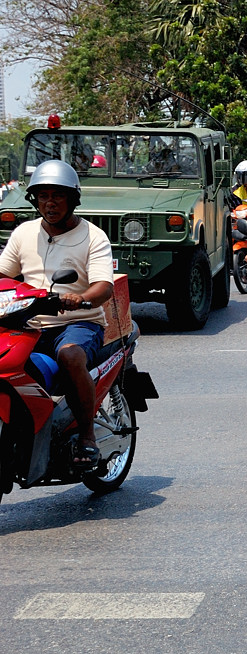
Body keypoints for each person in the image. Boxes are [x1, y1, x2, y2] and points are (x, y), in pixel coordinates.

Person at [0, 160, 114, 467]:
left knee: (69, 355)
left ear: (72, 199)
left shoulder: (93, 237)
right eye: (43, 196)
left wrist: (79, 298)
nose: (49, 203)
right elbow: (4, 274)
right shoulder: (24, 233)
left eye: (57, 195)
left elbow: (104, 286)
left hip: (78, 323)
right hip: (27, 322)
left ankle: (88, 437)